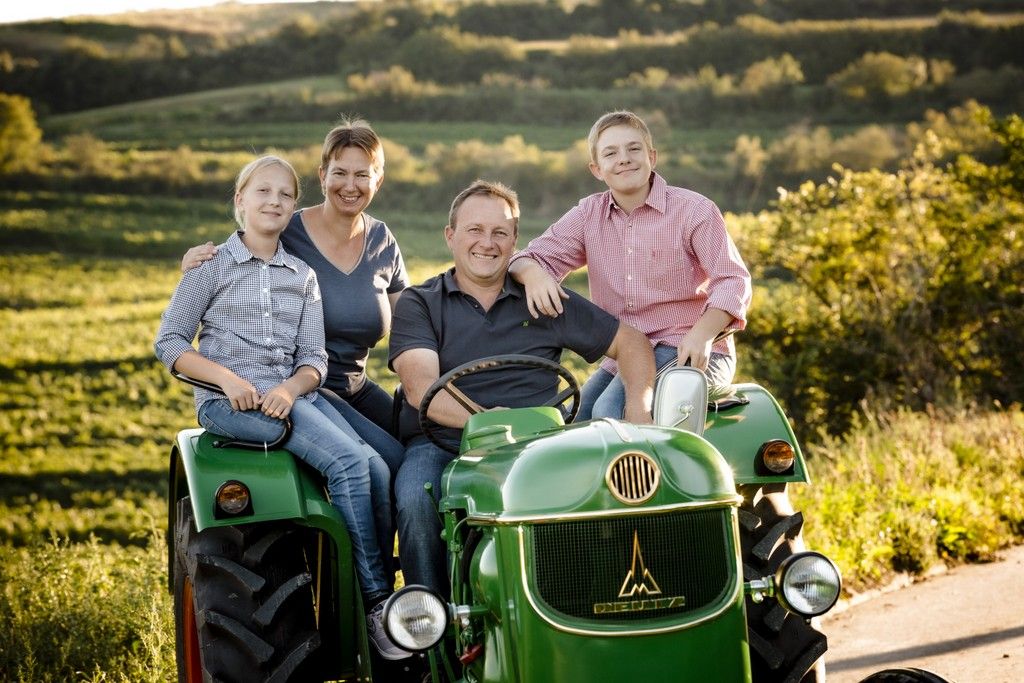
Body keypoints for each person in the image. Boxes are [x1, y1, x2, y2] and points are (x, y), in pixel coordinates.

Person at [155, 155, 408, 661]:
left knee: (384, 464)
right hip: (230, 404)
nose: (273, 201)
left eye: (284, 195)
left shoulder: (301, 275)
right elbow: (170, 342)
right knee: (351, 464)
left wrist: (291, 390)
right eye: (262, 192)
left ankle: (382, 596)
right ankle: (379, 605)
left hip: (291, 396)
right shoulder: (212, 268)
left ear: (294, 207)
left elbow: (313, 358)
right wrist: (227, 381)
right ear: (240, 200)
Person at [388, 180, 656, 598]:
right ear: (450, 236)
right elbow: (422, 388)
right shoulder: (420, 302)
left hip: (535, 447)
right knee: (414, 499)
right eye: (474, 230)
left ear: (515, 240)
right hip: (443, 442)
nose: (487, 243)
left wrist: (639, 410)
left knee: (604, 491)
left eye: (500, 233)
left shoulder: (543, 298)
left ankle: (580, 605)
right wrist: (488, 423)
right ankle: (429, 623)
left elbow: (632, 342)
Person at [181, 117, 408, 458]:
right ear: (322, 176)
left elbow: (411, 319)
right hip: (297, 387)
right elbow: (234, 258)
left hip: (356, 386)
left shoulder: (382, 240)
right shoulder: (288, 230)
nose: (350, 185)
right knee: (388, 460)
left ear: (379, 180)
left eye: (362, 174)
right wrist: (192, 263)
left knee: (420, 436)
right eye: (340, 172)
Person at [508, 110, 753, 420]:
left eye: (634, 149)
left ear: (652, 156)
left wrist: (703, 333)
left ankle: (650, 469)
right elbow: (529, 257)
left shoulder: (695, 211)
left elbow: (733, 280)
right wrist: (532, 273)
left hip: (688, 348)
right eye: (611, 153)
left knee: (610, 412)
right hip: (625, 356)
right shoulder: (588, 215)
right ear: (597, 169)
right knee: (576, 420)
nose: (624, 159)